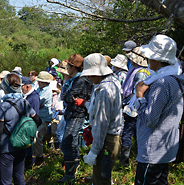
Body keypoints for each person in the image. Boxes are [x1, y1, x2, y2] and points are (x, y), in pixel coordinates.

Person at [134, 34, 184, 185]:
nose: (148, 59)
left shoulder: (161, 83)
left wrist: (139, 96)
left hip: (152, 151)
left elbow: (150, 120)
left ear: (156, 58)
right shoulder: (176, 79)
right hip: (165, 148)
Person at [0, 72, 42, 185]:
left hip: (7, 149)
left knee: (6, 181)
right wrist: (26, 135)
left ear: (5, 87)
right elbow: (38, 121)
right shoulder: (24, 103)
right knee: (19, 178)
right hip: (22, 146)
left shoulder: (2, 106)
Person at [81, 53, 123, 185]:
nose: (88, 77)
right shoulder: (113, 81)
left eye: (90, 74)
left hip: (106, 140)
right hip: (112, 136)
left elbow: (101, 123)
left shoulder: (104, 91)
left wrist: (94, 151)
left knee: (101, 177)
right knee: (104, 174)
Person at [59, 54, 93, 183]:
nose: (67, 67)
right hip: (74, 113)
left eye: (68, 65)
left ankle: (70, 174)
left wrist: (68, 95)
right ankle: (72, 170)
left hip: (76, 114)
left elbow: (68, 97)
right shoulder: (78, 79)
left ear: (73, 67)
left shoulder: (80, 80)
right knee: (71, 142)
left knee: (67, 142)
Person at [119, 47, 150, 167]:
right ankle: (136, 160)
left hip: (134, 108)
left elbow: (137, 92)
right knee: (135, 133)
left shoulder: (140, 73)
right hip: (133, 106)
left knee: (128, 133)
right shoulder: (134, 69)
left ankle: (125, 162)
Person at [32, 71, 53, 165]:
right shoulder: (39, 89)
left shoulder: (47, 91)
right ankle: (35, 156)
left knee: (37, 137)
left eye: (40, 81)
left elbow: (37, 103)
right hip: (38, 116)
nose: (39, 83)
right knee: (35, 137)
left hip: (44, 117)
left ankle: (39, 157)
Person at [21, 76, 40, 168]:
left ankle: (28, 166)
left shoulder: (34, 97)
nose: (21, 89)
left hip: (29, 126)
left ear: (27, 86)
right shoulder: (27, 96)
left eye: (22, 87)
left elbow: (36, 114)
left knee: (28, 148)